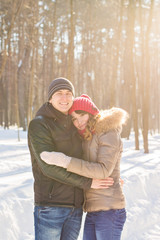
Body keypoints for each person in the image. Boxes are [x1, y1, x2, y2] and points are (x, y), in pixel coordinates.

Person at [28, 79, 113, 240]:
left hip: (76, 207)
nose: (64, 98)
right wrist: (88, 183)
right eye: (59, 93)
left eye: (68, 94)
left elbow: (88, 159)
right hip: (51, 206)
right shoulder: (39, 125)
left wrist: (108, 176)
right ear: (50, 98)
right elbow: (48, 167)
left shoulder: (75, 125)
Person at [40, 94, 129, 240]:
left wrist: (66, 161)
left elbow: (103, 170)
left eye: (81, 115)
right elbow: (91, 167)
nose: (78, 121)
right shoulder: (88, 137)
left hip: (109, 210)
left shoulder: (108, 132)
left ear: (91, 113)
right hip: (93, 210)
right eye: (74, 118)